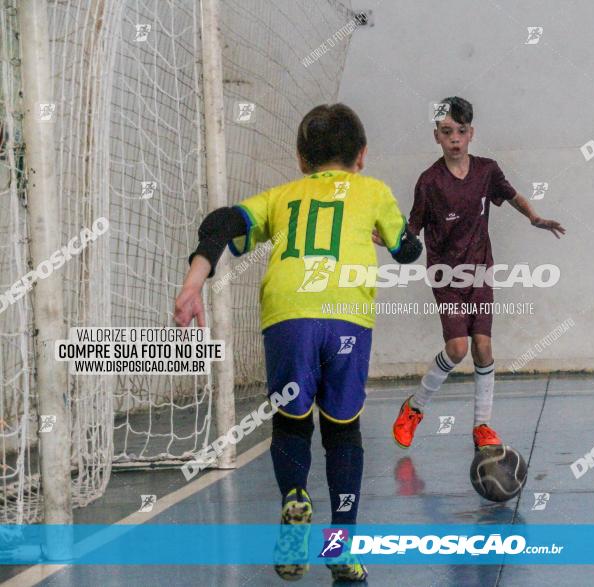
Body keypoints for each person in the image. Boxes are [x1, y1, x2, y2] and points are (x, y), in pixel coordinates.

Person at [174, 103, 422, 582]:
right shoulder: (374, 191)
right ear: (363, 155)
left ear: (301, 160)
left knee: (291, 423)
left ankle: (294, 498)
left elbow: (223, 222)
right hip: (346, 315)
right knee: (343, 430)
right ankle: (341, 549)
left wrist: (193, 282)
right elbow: (407, 251)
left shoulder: (283, 195)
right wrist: (388, 237)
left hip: (288, 314)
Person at [386, 96, 565, 451]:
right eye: (447, 131)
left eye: (461, 131)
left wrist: (534, 217)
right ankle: (414, 407)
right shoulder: (429, 182)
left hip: (480, 272)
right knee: (457, 349)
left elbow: (511, 195)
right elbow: (412, 230)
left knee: (483, 348)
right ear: (436, 135)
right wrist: (389, 243)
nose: (455, 138)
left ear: (471, 134)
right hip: (446, 277)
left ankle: (482, 425)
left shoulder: (487, 171)